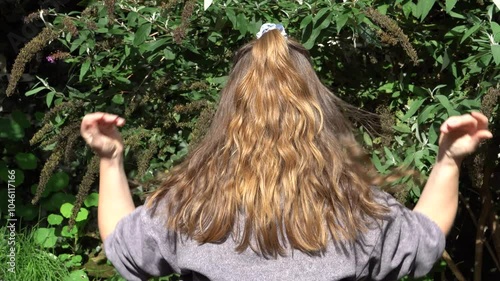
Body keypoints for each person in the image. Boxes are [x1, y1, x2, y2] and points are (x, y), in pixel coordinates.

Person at [80, 23, 493, 281]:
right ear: (320, 114)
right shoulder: (356, 210)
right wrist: (449, 160)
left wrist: (110, 159)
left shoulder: (190, 206)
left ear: (227, 116)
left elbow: (122, 249)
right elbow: (426, 242)